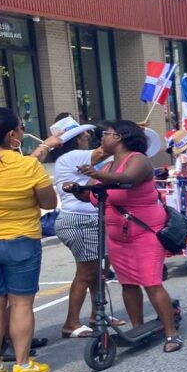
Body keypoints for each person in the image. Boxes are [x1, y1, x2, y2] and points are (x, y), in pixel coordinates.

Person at [76, 120, 181, 352]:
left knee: (151, 283)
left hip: (144, 233)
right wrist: (76, 188)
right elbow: (91, 194)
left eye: (106, 134)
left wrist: (97, 175)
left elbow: (128, 179)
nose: (102, 138)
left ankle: (171, 333)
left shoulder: (138, 160)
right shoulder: (107, 166)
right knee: (128, 284)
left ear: (120, 137)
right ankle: (138, 328)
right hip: (117, 237)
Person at [0, 108, 59, 372]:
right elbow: (49, 203)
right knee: (20, 303)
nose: (22, 132)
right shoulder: (27, 166)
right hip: (21, 240)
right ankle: (22, 365)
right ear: (11, 135)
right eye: (20, 128)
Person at [50, 114, 121, 338]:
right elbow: (106, 151)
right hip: (81, 221)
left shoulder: (69, 158)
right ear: (75, 138)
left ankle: (97, 314)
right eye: (84, 133)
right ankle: (71, 323)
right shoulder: (74, 156)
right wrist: (124, 135)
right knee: (86, 272)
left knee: (94, 272)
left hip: (83, 219)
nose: (89, 135)